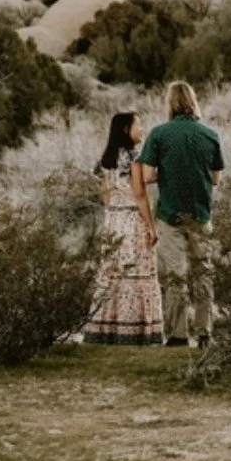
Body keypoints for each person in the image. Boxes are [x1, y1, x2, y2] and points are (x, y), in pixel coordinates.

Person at [139, 81, 225, 349]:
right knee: (203, 273)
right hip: (200, 214)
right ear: (192, 101)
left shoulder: (159, 134)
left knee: (175, 276)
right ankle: (204, 333)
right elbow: (216, 178)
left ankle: (177, 335)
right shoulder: (210, 134)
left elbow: (147, 175)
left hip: (169, 215)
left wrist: (167, 172)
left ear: (170, 103)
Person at [82, 112, 163, 346]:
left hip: (113, 222)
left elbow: (106, 196)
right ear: (127, 129)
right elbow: (139, 194)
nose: (142, 128)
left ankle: (107, 328)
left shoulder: (105, 159)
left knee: (113, 274)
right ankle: (135, 331)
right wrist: (151, 226)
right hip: (132, 220)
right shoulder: (134, 157)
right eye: (138, 125)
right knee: (137, 272)